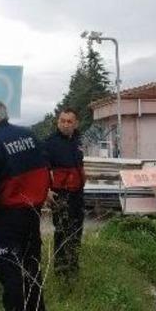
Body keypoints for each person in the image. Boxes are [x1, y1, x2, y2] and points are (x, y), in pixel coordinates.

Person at [0, 100, 49, 311]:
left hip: (6, 217)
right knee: (31, 264)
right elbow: (45, 171)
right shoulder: (29, 136)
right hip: (32, 212)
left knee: (9, 269)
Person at [43, 108, 86, 277]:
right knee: (62, 232)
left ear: (76, 124)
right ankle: (61, 272)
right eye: (62, 121)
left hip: (78, 195)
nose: (65, 124)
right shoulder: (49, 143)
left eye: (69, 121)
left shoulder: (77, 141)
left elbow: (80, 166)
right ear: (58, 122)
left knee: (76, 232)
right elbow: (42, 170)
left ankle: (73, 269)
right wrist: (46, 190)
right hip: (60, 196)